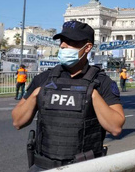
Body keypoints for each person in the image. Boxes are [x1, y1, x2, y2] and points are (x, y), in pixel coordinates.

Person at [12, 21, 125, 171]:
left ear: (87, 47)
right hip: (44, 166)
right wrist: (36, 94)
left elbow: (116, 127)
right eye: (62, 41)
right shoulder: (44, 79)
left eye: (71, 42)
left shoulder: (101, 82)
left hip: (84, 167)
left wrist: (91, 94)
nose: (63, 46)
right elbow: (17, 121)